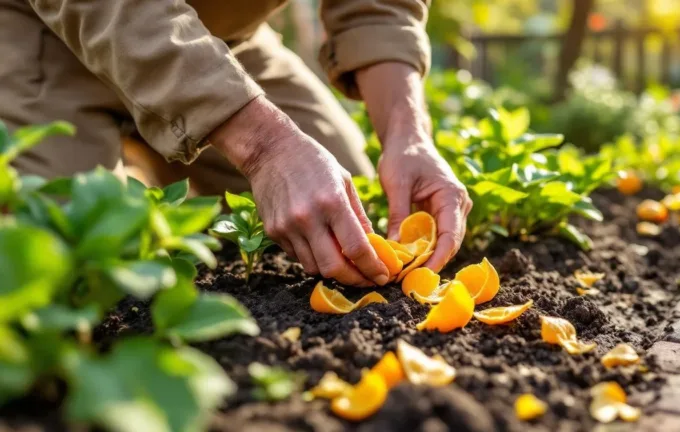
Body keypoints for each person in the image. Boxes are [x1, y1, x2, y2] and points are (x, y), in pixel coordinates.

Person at [0, 0, 471, 287]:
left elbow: (379, 5)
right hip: (45, 29)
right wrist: (266, 146)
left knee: (345, 214)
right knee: (59, 267)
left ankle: (168, 135)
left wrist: (408, 133)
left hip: (216, 34)